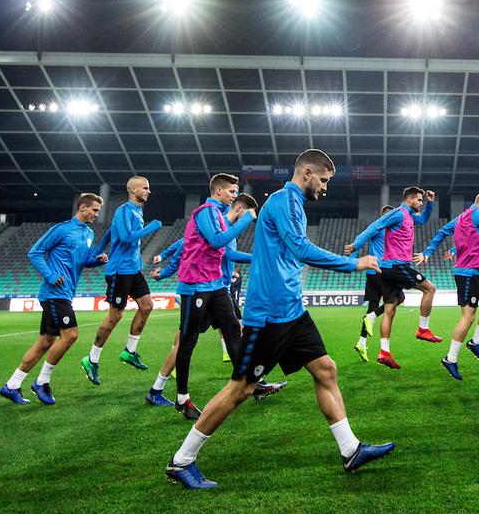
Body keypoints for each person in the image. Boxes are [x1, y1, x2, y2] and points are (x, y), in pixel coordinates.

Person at [165, 150, 392, 489]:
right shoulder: (285, 201)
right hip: (269, 315)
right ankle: (181, 461)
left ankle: (350, 449)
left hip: (292, 311)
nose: (326, 188)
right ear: (308, 172)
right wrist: (353, 264)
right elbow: (301, 248)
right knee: (241, 388)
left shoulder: (294, 203)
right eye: (324, 180)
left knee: (326, 369)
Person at [156, 176, 257, 419]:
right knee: (188, 340)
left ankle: (244, 381)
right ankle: (182, 398)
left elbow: (221, 248)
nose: (234, 194)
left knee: (233, 329)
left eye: (236, 191)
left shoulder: (219, 216)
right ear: (218, 190)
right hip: (195, 286)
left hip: (215, 285)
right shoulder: (206, 211)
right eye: (232, 191)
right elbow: (216, 241)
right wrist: (245, 220)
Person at [0, 193, 108, 405]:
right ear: (82, 208)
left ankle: (12, 385)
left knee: (46, 341)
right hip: (54, 293)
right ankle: (42, 382)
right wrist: (50, 275)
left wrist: (97, 261)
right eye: (94, 210)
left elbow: (83, 260)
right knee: (71, 335)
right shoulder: (62, 229)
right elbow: (35, 252)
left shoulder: (88, 233)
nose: (97, 214)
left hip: (65, 292)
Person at [422, 191, 479, 380]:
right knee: (467, 318)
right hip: (466, 274)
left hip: (472, 272)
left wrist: (430, 251)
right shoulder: (477, 214)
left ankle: (476, 341)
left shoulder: (464, 217)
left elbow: (448, 233)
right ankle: (450, 358)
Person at [345, 187, 441, 369]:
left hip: (389, 268)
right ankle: (423, 329)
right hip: (396, 266)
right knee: (430, 288)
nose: (420, 203)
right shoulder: (398, 213)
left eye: (422, 201)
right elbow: (375, 226)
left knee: (390, 308)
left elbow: (423, 219)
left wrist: (430, 203)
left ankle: (384, 352)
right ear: (410, 199)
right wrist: (356, 244)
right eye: (419, 200)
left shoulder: (410, 216)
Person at [82, 176, 162, 384]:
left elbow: (110, 233)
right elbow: (126, 237)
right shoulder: (124, 210)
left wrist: (98, 251)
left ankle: (130, 351)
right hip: (119, 271)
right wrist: (152, 227)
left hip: (133, 269)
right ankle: (91, 359)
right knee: (115, 316)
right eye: (145, 187)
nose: (148, 191)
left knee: (146, 305)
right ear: (133, 190)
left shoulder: (136, 211)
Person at [351, 205, 392, 362]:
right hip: (382, 272)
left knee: (372, 307)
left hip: (371, 273)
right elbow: (361, 239)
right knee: (396, 300)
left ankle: (362, 342)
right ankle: (373, 317)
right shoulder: (382, 227)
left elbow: (360, 240)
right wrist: (353, 258)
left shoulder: (384, 228)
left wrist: (352, 259)